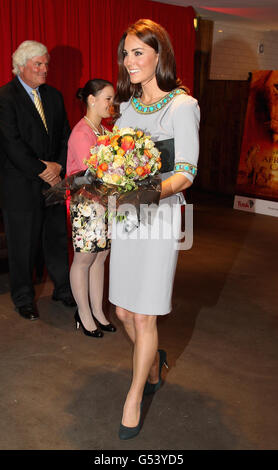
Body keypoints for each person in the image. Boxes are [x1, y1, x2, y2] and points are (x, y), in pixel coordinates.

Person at [109, 19, 200, 439]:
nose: (129, 61)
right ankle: (153, 360)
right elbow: (113, 163)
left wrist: (145, 195)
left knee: (144, 315)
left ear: (159, 56)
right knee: (122, 311)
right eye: (126, 53)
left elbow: (185, 173)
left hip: (160, 218)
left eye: (138, 53)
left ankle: (135, 394)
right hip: (126, 218)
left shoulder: (182, 106)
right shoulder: (127, 108)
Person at [0, 40, 75, 321]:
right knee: (23, 245)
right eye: (38, 65)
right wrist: (40, 169)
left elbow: (65, 136)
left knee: (55, 238)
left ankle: (63, 289)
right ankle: (23, 298)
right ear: (21, 67)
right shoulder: (5, 98)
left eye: (46, 64)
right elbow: (11, 143)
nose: (45, 69)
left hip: (53, 181)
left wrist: (58, 166)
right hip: (20, 186)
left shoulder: (54, 96)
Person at [67, 79, 116, 337]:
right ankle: (83, 314)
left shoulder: (104, 131)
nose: (111, 104)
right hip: (86, 205)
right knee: (84, 258)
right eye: (107, 98)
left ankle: (98, 311)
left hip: (106, 204)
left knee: (101, 256)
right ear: (91, 100)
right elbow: (93, 175)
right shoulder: (81, 133)